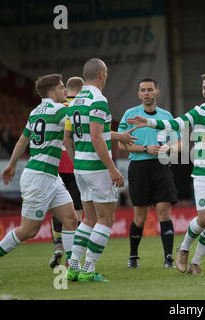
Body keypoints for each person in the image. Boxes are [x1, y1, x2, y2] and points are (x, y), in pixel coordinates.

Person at [127, 71, 205, 275]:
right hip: (203, 172)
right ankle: (183, 248)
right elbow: (175, 124)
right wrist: (150, 122)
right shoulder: (199, 111)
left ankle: (196, 262)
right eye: (203, 87)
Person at [0, 74, 79, 283]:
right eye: (62, 87)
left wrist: (11, 165)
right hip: (39, 178)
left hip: (49, 176)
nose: (65, 91)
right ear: (51, 92)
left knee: (71, 219)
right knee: (28, 230)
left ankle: (73, 269)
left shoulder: (35, 111)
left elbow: (22, 140)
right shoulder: (59, 110)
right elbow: (80, 116)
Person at [64, 58, 137, 282]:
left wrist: (77, 161)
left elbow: (69, 138)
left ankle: (73, 267)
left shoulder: (74, 101)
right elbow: (96, 137)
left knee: (88, 218)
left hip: (81, 167)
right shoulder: (99, 100)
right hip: (97, 168)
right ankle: (88, 269)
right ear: (102, 75)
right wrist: (112, 168)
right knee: (106, 219)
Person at [117, 78, 181, 269]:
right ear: (139, 94)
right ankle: (133, 256)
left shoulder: (166, 116)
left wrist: (166, 149)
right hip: (139, 169)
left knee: (164, 212)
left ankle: (169, 258)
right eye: (143, 90)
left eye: (150, 90)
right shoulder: (130, 115)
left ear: (157, 92)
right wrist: (145, 148)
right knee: (140, 218)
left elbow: (179, 143)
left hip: (161, 167)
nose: (146, 93)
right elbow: (121, 144)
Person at [49, 76, 85, 269]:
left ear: (67, 89)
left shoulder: (57, 107)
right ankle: (75, 255)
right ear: (80, 90)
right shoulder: (78, 107)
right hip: (75, 163)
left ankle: (58, 244)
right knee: (76, 210)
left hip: (56, 164)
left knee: (58, 207)